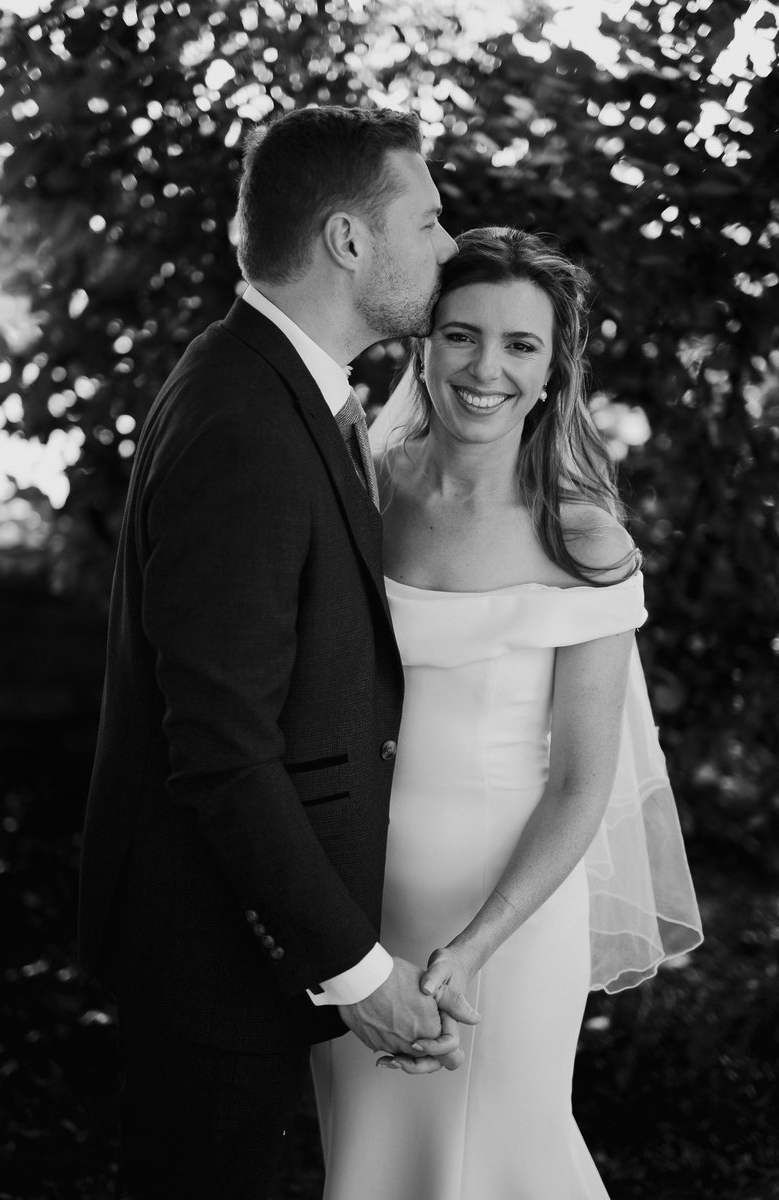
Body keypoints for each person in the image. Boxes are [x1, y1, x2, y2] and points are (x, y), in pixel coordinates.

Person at [78, 105, 481, 1200]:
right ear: (349, 241)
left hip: (234, 944)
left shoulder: (268, 384)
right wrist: (357, 975)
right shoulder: (246, 423)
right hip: (209, 946)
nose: (448, 249)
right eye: (430, 220)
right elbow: (218, 745)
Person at [311, 226, 703, 1199]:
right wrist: (339, 942)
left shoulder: (582, 539)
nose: (484, 367)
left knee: (505, 1161)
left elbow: (580, 782)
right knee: (369, 1166)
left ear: (549, 373)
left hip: (510, 916)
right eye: (459, 335)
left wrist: (472, 949)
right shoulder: (358, 491)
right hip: (355, 912)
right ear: (421, 343)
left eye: (519, 345)